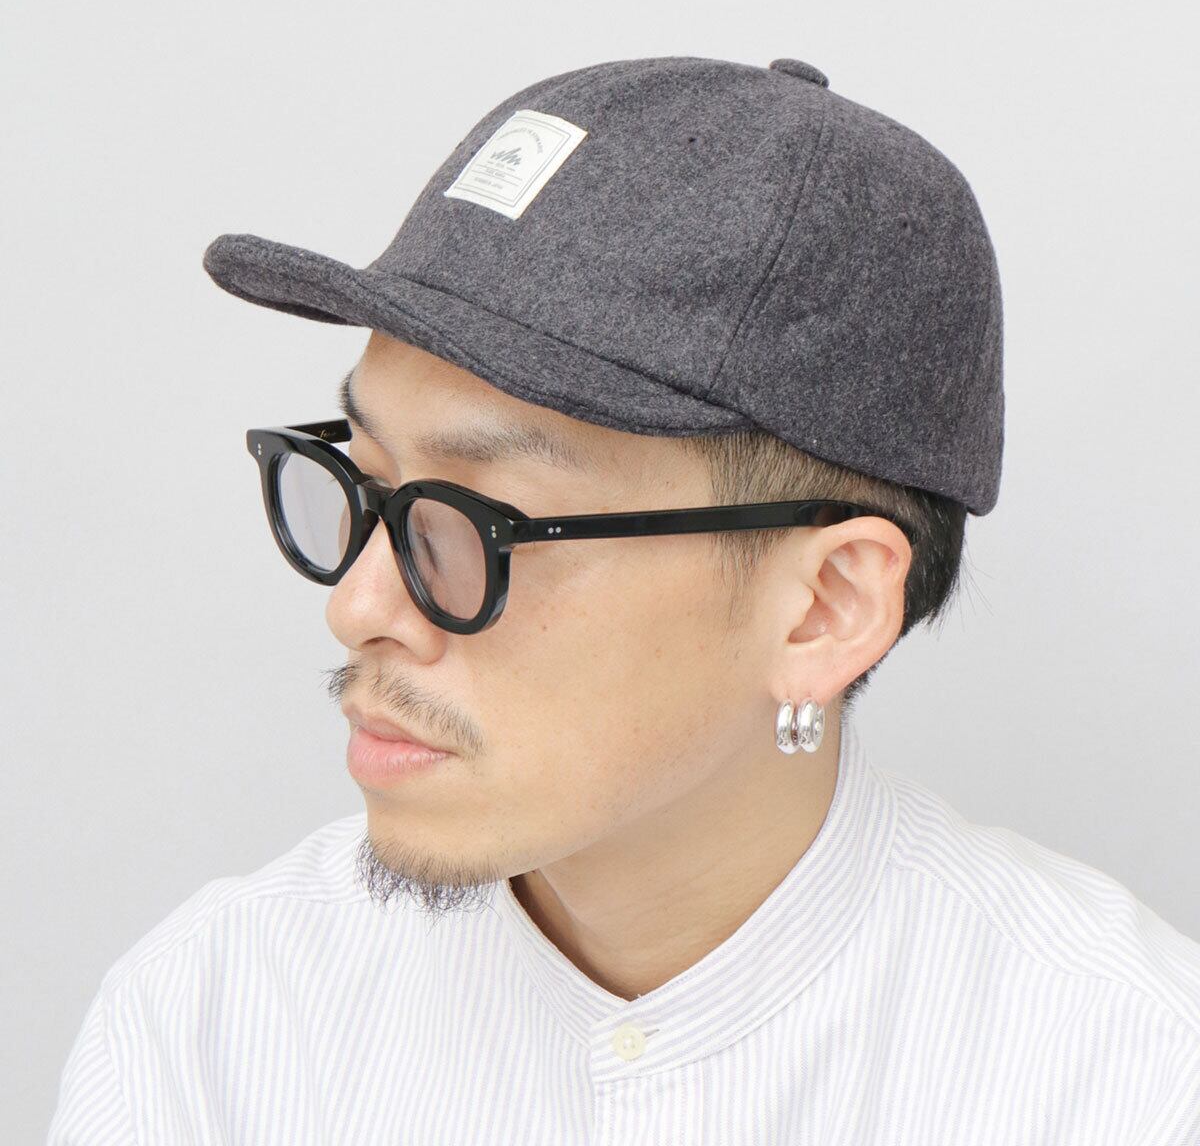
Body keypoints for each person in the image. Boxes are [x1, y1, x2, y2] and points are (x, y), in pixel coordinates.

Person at [49, 55, 1200, 1144]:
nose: (359, 607)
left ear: (825, 608)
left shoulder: (1122, 1078)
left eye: (475, 522)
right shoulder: (220, 1021)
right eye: (364, 480)